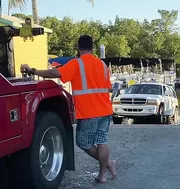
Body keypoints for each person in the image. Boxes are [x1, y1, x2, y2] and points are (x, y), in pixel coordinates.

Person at [20, 35, 116, 183]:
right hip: (106, 110)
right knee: (102, 141)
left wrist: (33, 71)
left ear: (78, 47)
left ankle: (108, 163)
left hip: (90, 112)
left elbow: (55, 73)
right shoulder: (102, 65)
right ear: (92, 48)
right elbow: (107, 87)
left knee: (83, 143)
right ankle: (103, 173)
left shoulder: (77, 63)